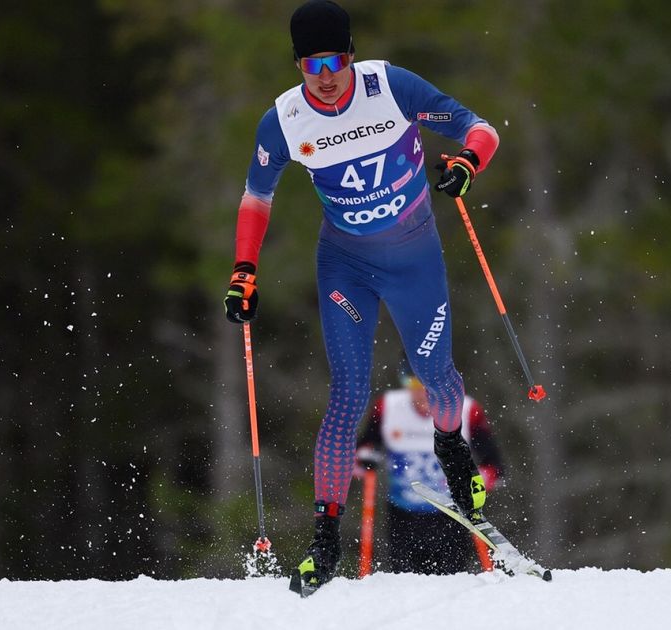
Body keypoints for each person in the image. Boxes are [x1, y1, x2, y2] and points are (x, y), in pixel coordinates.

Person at [222, 0, 520, 594]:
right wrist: (244, 270)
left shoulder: (389, 87)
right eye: (312, 64)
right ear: (299, 66)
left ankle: (452, 455)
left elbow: (479, 129)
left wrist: (466, 163)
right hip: (347, 267)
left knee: (439, 381)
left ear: (351, 54)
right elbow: (257, 197)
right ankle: (323, 540)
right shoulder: (282, 121)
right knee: (348, 392)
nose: (326, 75)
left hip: (415, 263)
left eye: (335, 59)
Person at [355, 372, 505, 574]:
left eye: (430, 383)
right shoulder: (388, 406)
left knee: (452, 577)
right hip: (403, 514)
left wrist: (478, 481)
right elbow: (364, 447)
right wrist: (364, 458)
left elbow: (494, 464)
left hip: (452, 515)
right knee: (405, 578)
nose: (422, 392)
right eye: (414, 382)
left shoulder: (466, 410)